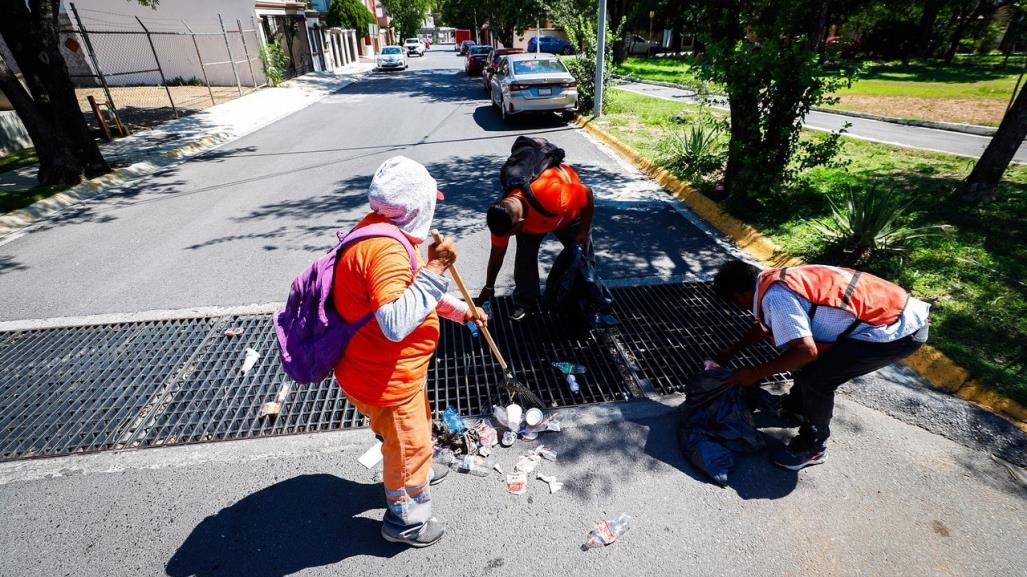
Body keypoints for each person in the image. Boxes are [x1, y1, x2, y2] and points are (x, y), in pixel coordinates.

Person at [333, 156, 485, 547]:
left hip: (385, 371)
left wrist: (462, 311)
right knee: (408, 444)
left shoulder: (380, 229)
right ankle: (406, 522)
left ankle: (412, 464)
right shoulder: (386, 251)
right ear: (417, 207)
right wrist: (436, 267)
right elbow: (395, 321)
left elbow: (415, 293)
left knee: (408, 434)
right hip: (385, 377)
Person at [712, 260, 930, 471]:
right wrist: (732, 350)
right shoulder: (773, 280)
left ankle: (813, 445)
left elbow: (806, 351)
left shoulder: (776, 298)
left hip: (895, 331)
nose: (737, 307)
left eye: (733, 302)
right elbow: (768, 324)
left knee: (817, 379)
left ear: (740, 294)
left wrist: (755, 373)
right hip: (893, 310)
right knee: (806, 359)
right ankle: (797, 407)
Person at [477, 157, 595, 320]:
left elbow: (587, 193)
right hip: (537, 219)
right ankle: (527, 302)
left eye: (511, 233)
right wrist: (489, 286)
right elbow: (497, 253)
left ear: (519, 223)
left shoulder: (554, 196)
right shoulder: (501, 215)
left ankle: (587, 298)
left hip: (567, 217)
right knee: (525, 259)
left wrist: (583, 230)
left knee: (583, 258)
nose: (508, 237)